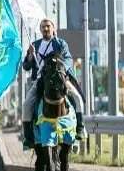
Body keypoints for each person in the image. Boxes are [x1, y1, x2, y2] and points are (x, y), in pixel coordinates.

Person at [21, 18, 85, 148]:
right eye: (43, 27)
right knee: (27, 104)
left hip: (59, 79)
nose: (45, 29)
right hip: (40, 80)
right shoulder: (34, 45)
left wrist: (60, 69)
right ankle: (28, 137)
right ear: (40, 30)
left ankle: (80, 128)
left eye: (48, 26)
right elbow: (26, 66)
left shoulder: (61, 44)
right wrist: (29, 56)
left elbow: (68, 60)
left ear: (53, 28)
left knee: (77, 98)